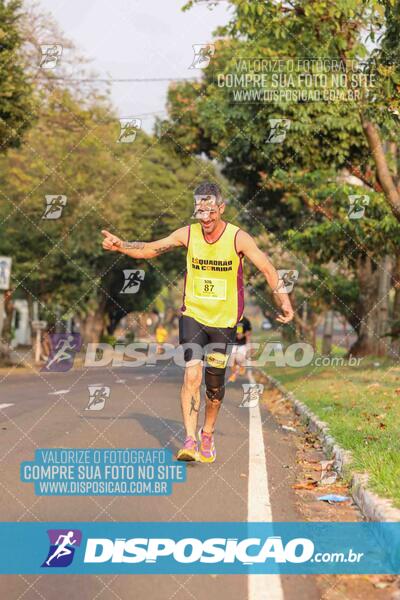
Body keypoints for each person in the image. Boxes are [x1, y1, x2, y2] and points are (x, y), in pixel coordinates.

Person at [101, 182, 294, 463]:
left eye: (210, 212)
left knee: (214, 388)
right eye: (200, 212)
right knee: (191, 375)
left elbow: (267, 267)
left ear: (221, 209)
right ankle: (189, 441)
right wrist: (121, 245)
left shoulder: (238, 238)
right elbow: (150, 250)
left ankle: (207, 433)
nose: (205, 219)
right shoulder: (187, 234)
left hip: (225, 321)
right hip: (193, 315)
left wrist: (284, 300)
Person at [228, 315, 252, 383]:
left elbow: (249, 332)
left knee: (239, 359)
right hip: (232, 343)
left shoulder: (246, 321)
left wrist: (244, 336)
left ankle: (239, 369)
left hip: (242, 344)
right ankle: (234, 373)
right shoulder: (231, 318)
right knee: (231, 361)